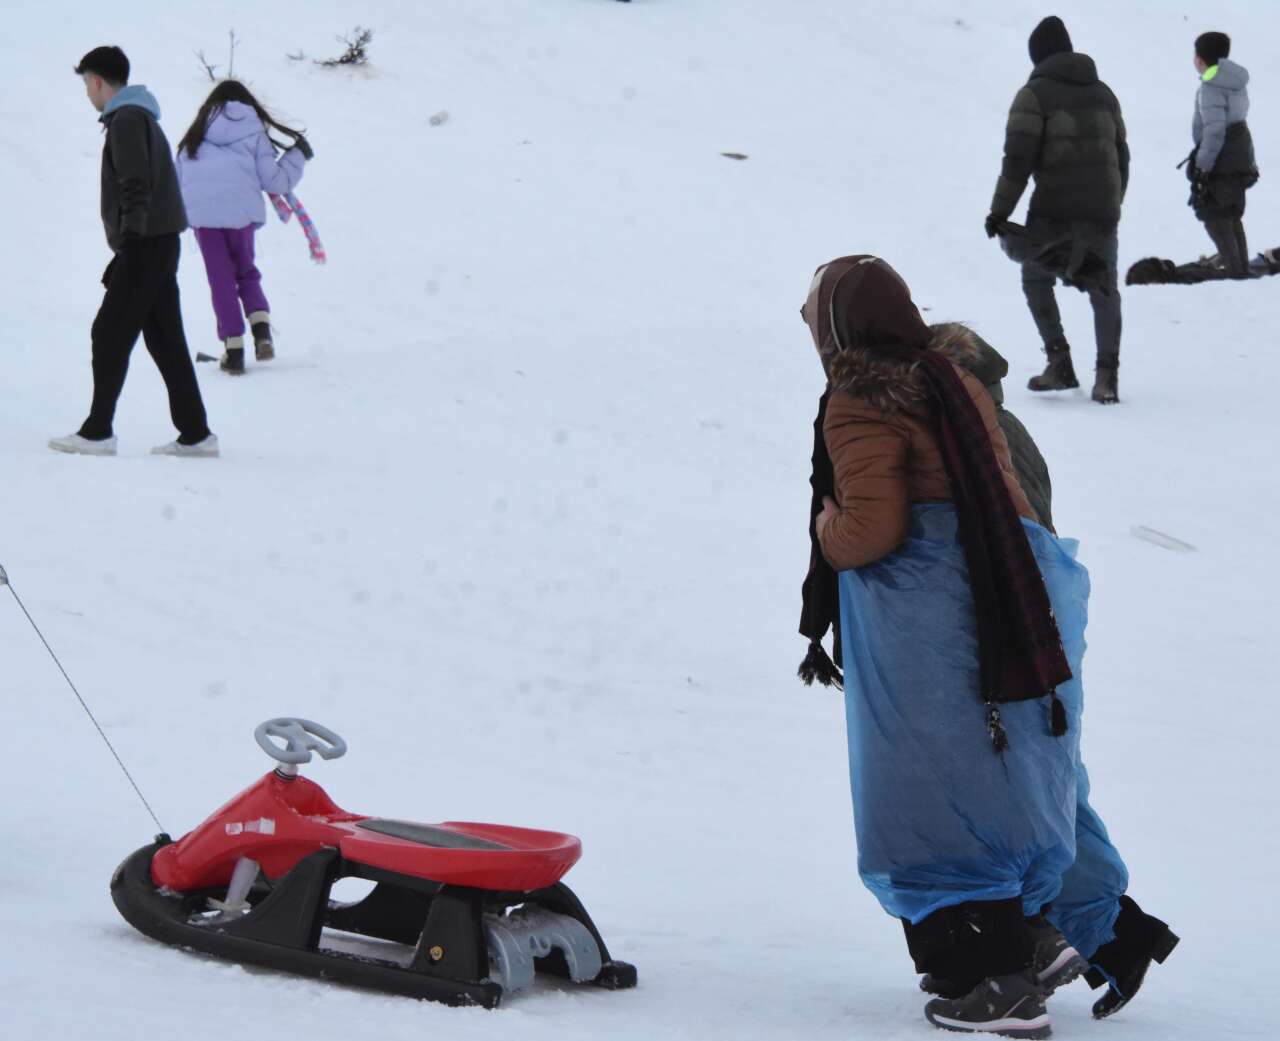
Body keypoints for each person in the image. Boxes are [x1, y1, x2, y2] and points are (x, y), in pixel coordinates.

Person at [798, 255, 1090, 1037]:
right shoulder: (952, 378)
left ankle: (990, 982)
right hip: (1000, 609)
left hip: (927, 629)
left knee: (924, 798)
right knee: (994, 788)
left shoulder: (860, 397)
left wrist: (825, 523)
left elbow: (871, 529)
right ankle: (1029, 939)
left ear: (838, 330)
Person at [910, 330, 1180, 1022]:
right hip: (1043, 628)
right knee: (1053, 784)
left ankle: (1076, 931)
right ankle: (1109, 931)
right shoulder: (1005, 426)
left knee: (1030, 794)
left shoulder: (974, 433)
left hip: (1016, 633)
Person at [50, 46, 217, 458]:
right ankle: (196, 434)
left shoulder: (126, 119)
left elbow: (135, 182)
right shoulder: (139, 116)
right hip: (161, 241)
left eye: (87, 84)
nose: (88, 93)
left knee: (108, 332)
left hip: (146, 243)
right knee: (164, 339)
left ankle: (97, 432)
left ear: (98, 81)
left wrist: (130, 240)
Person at [985, 16, 1128, 405]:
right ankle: (1107, 378)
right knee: (1104, 287)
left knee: (1035, 278)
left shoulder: (1033, 95)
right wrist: (1113, 202)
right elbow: (1122, 155)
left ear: (1038, 56)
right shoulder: (1104, 94)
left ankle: (1060, 364)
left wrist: (999, 213)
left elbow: (1017, 162)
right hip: (1102, 211)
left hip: (1053, 212)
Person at [176, 80, 312, 375]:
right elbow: (275, 181)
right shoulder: (253, 131)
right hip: (241, 215)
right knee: (245, 271)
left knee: (220, 280)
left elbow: (177, 179)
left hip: (204, 220)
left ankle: (234, 349)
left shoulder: (195, 134)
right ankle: (261, 331)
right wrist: (298, 155)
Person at [1187, 32, 1257, 277]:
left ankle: (1235, 271)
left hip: (1221, 157)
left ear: (1202, 59)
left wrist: (1202, 166)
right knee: (1230, 212)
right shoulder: (1234, 82)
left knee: (1214, 213)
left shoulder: (1211, 87)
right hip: (1239, 152)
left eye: (1196, 54)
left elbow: (1214, 131)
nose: (1194, 59)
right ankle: (1241, 266)